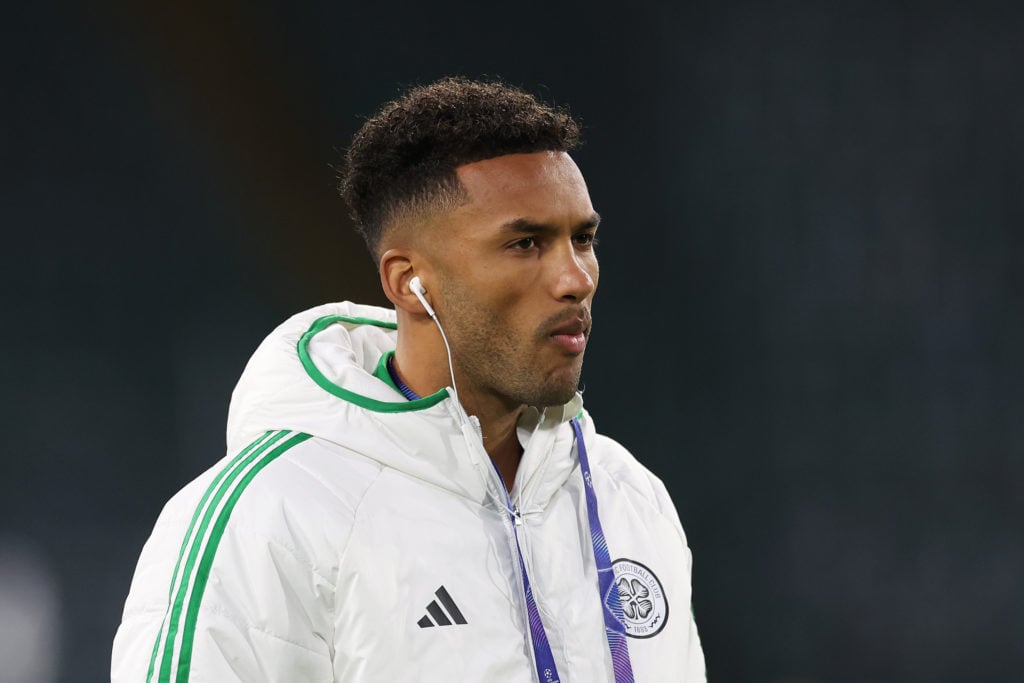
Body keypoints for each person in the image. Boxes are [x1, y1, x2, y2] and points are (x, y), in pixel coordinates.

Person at [112, 77, 705, 682]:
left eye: (583, 239)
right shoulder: (271, 513)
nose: (575, 278)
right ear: (408, 282)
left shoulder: (629, 495)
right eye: (526, 243)